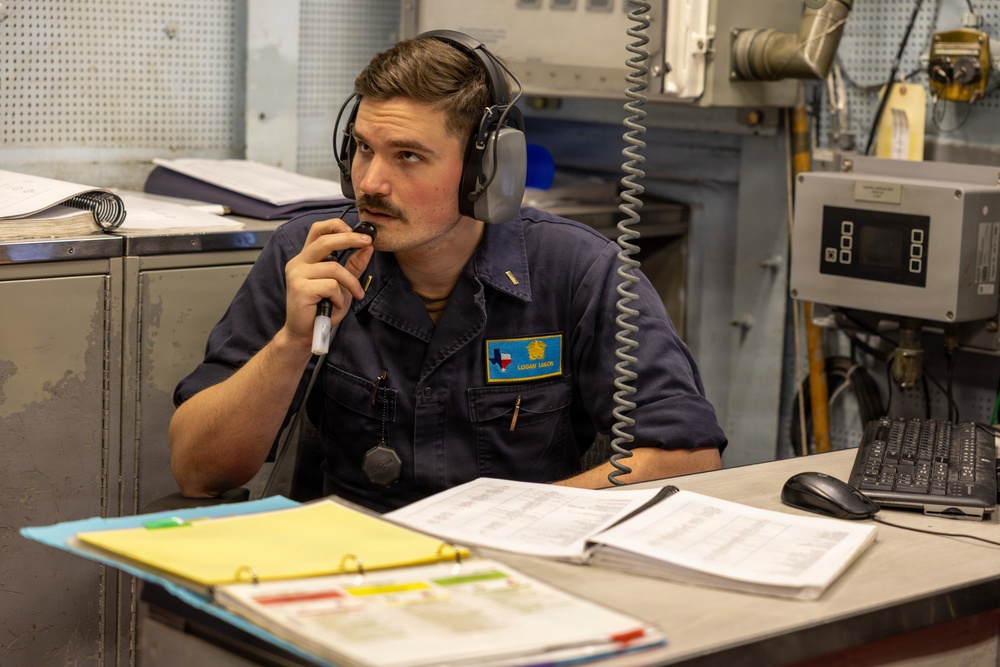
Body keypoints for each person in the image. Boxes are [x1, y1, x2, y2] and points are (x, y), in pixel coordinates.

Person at [169, 31, 727, 513]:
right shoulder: (311, 256)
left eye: (407, 156)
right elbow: (198, 471)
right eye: (363, 149)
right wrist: (293, 341)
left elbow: (687, 456)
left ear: (485, 170)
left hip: (518, 572)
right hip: (352, 571)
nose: (370, 183)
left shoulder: (578, 271)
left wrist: (518, 523)